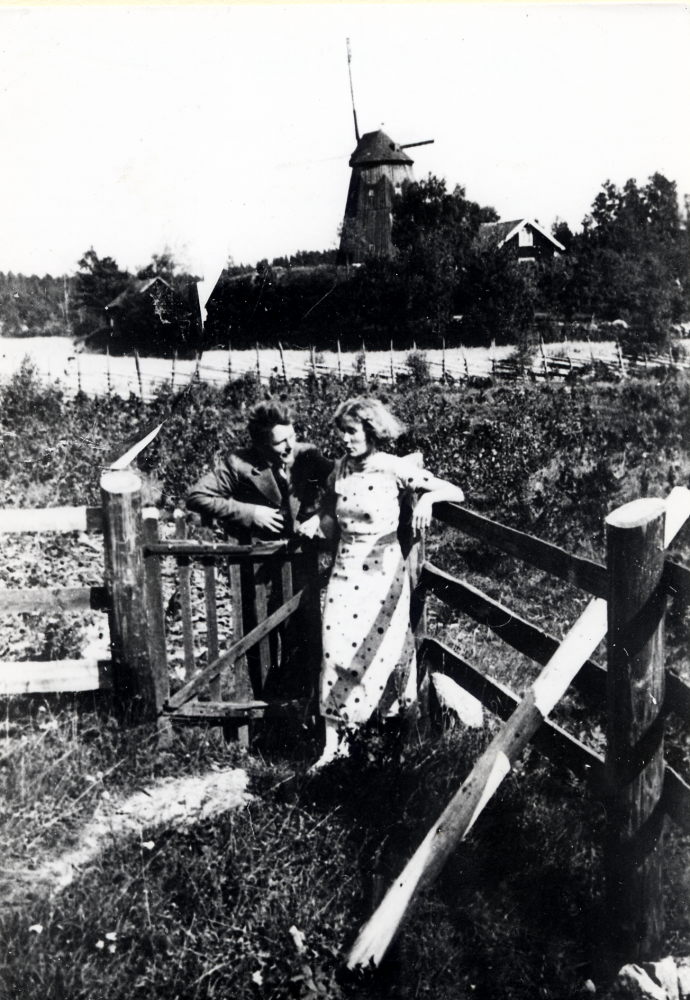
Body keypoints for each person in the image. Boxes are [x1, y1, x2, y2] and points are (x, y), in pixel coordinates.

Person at [306, 397, 465, 769]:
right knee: (335, 651)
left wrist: (428, 501)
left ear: (370, 431)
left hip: (383, 573)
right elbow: (334, 513)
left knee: (384, 652)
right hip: (345, 571)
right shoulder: (339, 471)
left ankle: (392, 745)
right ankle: (334, 748)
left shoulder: (392, 468)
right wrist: (319, 521)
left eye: (351, 431)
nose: (344, 439)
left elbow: (454, 491)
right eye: (341, 432)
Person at [186, 400, 333, 700]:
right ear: (260, 443)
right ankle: (263, 713)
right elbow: (196, 495)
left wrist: (319, 516)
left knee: (302, 640)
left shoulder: (308, 454)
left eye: (292, 436)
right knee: (260, 641)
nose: (290, 447)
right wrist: (250, 513)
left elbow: (344, 484)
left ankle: (297, 715)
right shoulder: (238, 463)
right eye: (281, 442)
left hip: (299, 563)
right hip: (257, 570)